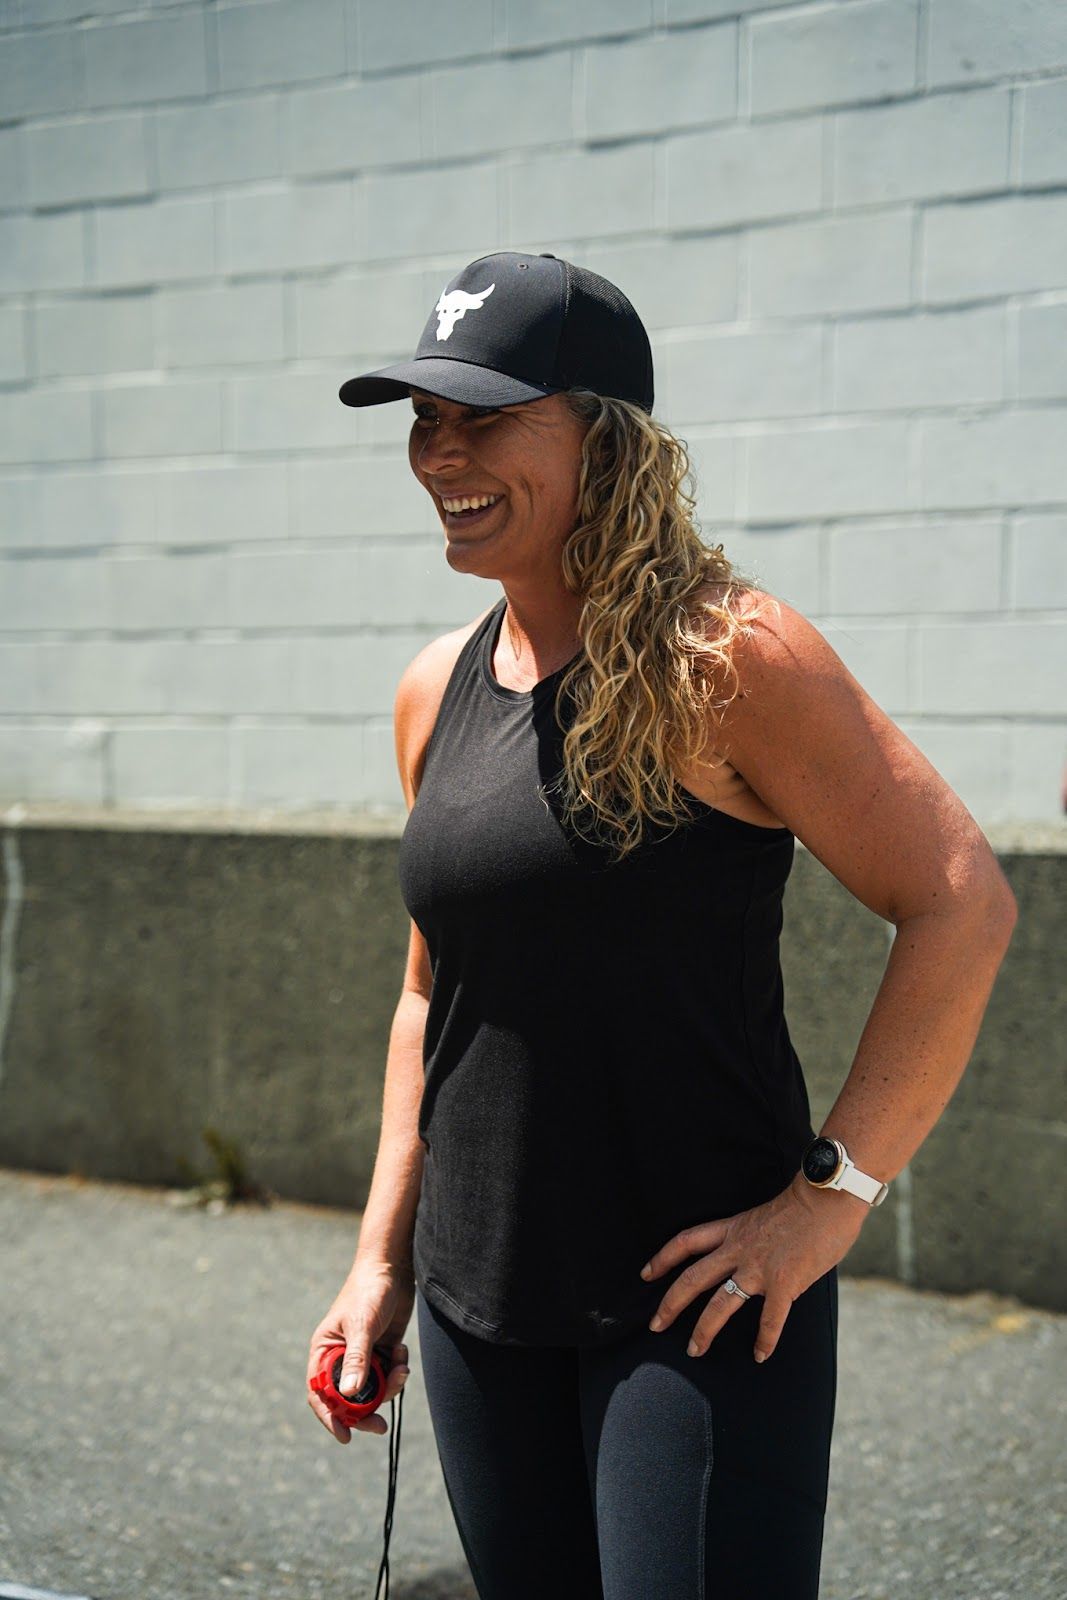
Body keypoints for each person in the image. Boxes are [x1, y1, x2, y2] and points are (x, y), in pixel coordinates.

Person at [306, 251, 1018, 1599]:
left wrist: (827, 1207)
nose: (437, 453)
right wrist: (378, 1263)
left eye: (482, 416)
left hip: (696, 1313)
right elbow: (428, 997)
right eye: (423, 420)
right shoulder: (429, 689)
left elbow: (960, 903)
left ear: (607, 437)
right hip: (478, 1306)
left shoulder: (732, 659)